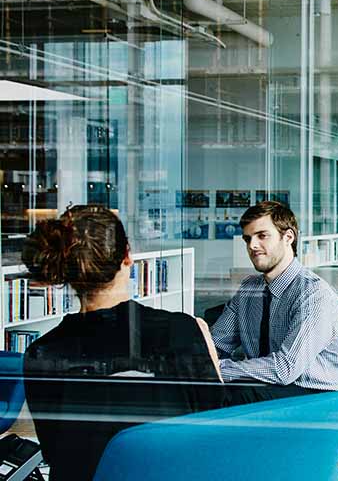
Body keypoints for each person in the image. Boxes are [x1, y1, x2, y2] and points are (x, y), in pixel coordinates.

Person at [21, 205, 224, 481]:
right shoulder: (183, 330)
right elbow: (214, 431)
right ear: (127, 256)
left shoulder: (41, 351)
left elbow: (56, 450)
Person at [210, 201, 338, 401]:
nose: (252, 245)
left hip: (317, 393)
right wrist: (197, 364)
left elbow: (285, 368)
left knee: (231, 396)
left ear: (288, 237)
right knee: (199, 390)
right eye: (247, 239)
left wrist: (220, 369)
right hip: (271, 386)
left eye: (262, 236)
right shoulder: (249, 289)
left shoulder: (314, 293)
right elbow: (216, 344)